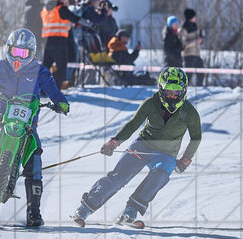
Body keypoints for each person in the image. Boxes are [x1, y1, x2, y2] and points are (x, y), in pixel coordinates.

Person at [0, 29, 70, 227]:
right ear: (8, 49)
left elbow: (54, 91)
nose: (18, 57)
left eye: (24, 53)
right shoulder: (0, 65)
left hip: (28, 120)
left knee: (35, 155)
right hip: (2, 112)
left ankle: (33, 211)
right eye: (15, 51)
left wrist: (62, 102)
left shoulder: (40, 71)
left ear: (32, 53)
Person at [70, 67, 201, 228]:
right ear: (161, 89)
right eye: (168, 91)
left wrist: (187, 157)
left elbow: (196, 137)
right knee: (119, 177)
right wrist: (115, 141)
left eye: (176, 92)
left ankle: (131, 211)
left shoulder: (189, 112)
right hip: (143, 145)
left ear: (184, 91)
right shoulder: (150, 104)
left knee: (160, 175)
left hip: (166, 154)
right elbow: (133, 124)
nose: (172, 96)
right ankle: (84, 209)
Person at [40, 0, 84, 89]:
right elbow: (74, 18)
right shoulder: (61, 8)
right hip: (59, 42)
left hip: (46, 41)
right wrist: (89, 24)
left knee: (46, 66)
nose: (67, 0)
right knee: (61, 68)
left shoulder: (45, 10)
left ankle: (41, 89)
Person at [180, 8, 204, 87]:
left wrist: (200, 40)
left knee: (201, 72)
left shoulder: (195, 26)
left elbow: (198, 39)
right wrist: (195, 41)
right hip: (188, 55)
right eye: (194, 16)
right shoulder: (183, 29)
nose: (195, 18)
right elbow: (183, 44)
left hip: (197, 54)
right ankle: (183, 89)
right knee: (188, 75)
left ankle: (199, 88)